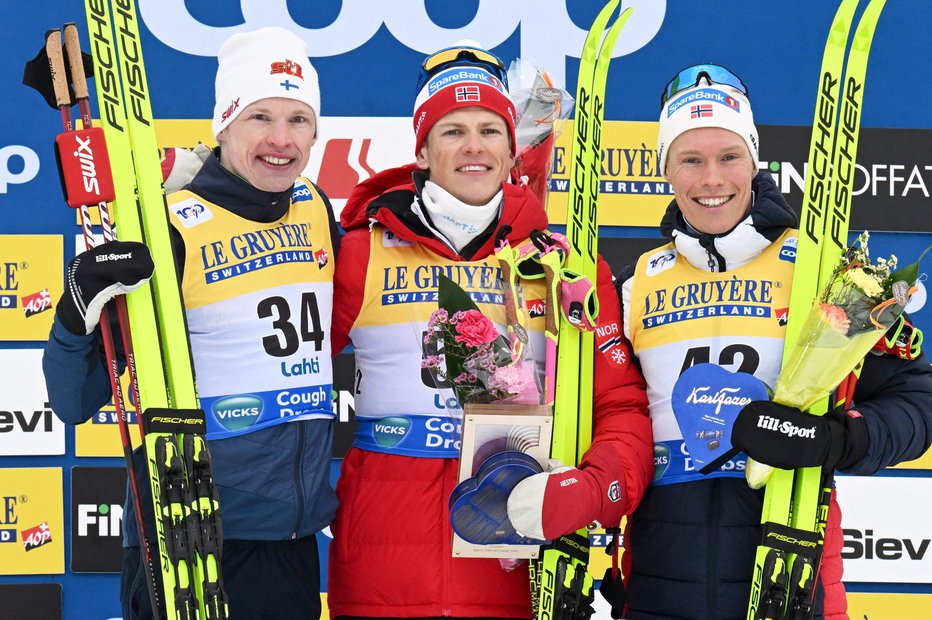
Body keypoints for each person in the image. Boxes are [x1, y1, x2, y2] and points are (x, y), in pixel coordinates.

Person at [327, 45, 652, 618]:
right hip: (382, 570)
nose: (473, 147)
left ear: (511, 152)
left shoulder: (564, 267)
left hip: (519, 564)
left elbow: (621, 406)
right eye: (452, 131)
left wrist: (592, 491)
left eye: (490, 130)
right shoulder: (360, 254)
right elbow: (275, 361)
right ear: (422, 152)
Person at [614, 64, 932, 619]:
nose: (711, 179)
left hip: (791, 575)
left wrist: (836, 440)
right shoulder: (638, 283)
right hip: (659, 586)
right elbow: (612, 418)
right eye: (690, 159)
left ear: (754, 160)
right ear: (666, 169)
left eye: (729, 156)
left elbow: (918, 403)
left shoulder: (821, 270)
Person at [42, 27, 340, 620]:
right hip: (188, 541)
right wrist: (79, 307)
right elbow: (74, 400)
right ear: (223, 124)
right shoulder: (170, 228)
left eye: (299, 119)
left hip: (293, 543)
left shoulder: (314, 206)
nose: (281, 140)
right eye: (259, 117)